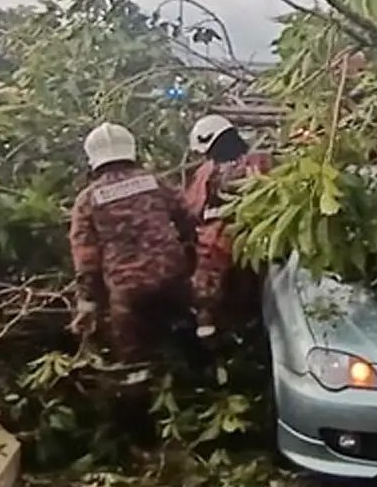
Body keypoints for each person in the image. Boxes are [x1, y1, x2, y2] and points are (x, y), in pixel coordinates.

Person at [69, 122, 196, 366]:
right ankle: (204, 380)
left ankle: (141, 384)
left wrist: (87, 303)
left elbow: (86, 258)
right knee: (189, 343)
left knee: (135, 357)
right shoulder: (156, 183)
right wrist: (188, 260)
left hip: (128, 290)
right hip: (172, 277)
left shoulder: (87, 200)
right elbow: (187, 219)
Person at [183, 114, 272, 337]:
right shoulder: (262, 161)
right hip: (260, 241)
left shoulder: (207, 171)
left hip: (219, 244)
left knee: (205, 289)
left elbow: (191, 209)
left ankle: (208, 327)